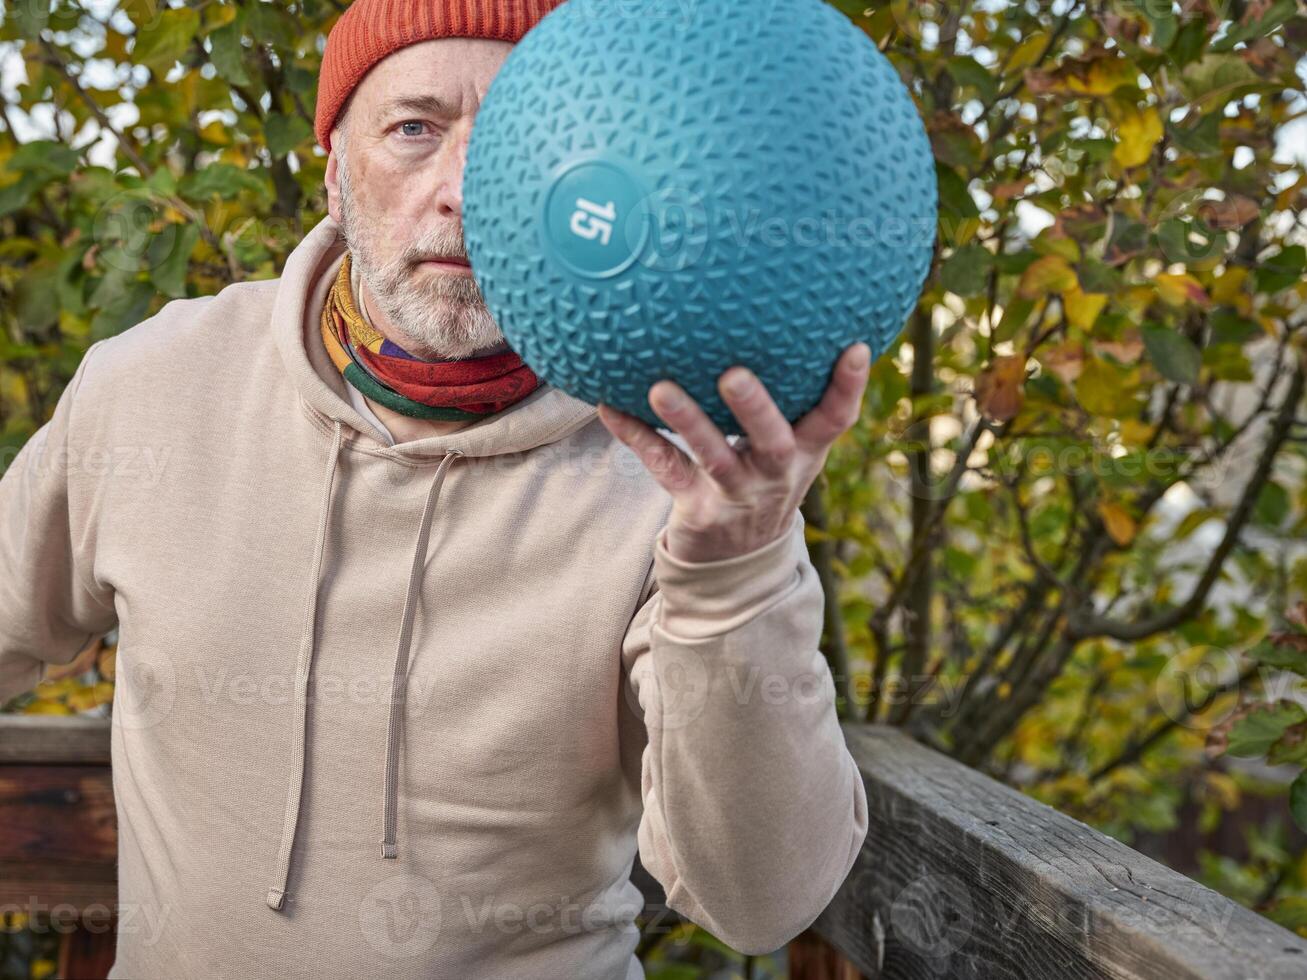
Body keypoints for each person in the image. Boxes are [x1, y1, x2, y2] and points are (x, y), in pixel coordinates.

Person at [0, 2, 871, 976]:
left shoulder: (685, 474)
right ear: (334, 170)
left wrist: (734, 575)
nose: (461, 189)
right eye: (414, 129)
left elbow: (760, 901)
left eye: (517, 141)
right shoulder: (152, 384)